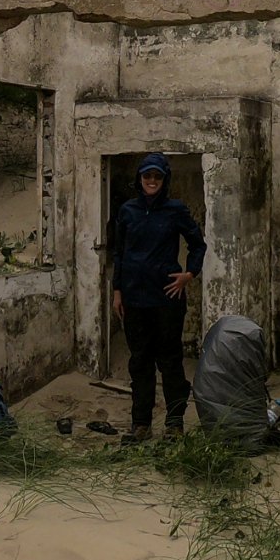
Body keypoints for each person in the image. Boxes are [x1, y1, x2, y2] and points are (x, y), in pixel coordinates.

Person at [112, 153, 207, 443]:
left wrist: (189, 275)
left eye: (157, 177)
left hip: (167, 299)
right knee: (140, 361)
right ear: (139, 180)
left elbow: (198, 244)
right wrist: (118, 291)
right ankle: (141, 424)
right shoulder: (127, 211)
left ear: (164, 180)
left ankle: (174, 423)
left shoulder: (175, 210)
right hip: (134, 300)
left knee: (170, 360)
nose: (151, 181)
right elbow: (120, 253)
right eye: (147, 176)